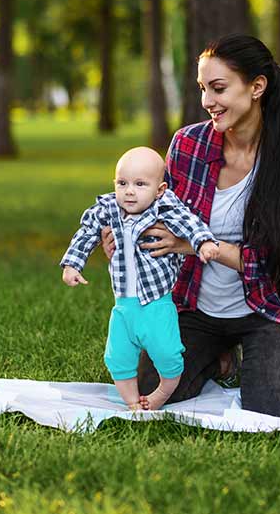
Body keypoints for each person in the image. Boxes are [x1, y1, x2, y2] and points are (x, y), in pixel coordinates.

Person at [102, 34, 280, 417]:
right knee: (153, 391)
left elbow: (277, 260)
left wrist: (196, 246)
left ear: (257, 87)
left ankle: (238, 352)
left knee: (268, 412)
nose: (207, 102)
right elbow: (156, 219)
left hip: (265, 308)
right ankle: (220, 358)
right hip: (194, 307)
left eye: (218, 88)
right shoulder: (187, 144)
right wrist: (124, 242)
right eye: (203, 89)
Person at [60, 147, 221, 411]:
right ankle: (133, 402)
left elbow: (189, 223)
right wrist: (72, 265)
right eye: (122, 183)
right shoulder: (109, 207)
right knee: (117, 357)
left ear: (159, 189)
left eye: (140, 184)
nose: (129, 191)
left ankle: (159, 395)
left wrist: (203, 242)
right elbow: (87, 231)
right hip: (123, 308)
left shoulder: (164, 207)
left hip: (156, 306)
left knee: (168, 356)